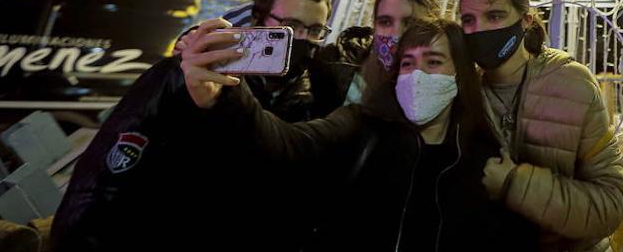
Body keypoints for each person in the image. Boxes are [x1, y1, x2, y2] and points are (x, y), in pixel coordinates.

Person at [178, 15, 537, 252]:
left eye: (433, 62)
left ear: (459, 74)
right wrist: (226, 95)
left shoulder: (483, 156)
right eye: (408, 63)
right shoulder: (361, 126)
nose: (416, 76)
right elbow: (291, 143)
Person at [51, 0, 340, 250]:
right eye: (290, 25)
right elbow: (109, 169)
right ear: (257, 20)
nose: (302, 38)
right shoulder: (185, 73)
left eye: (315, 30)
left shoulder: (318, 97)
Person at [458, 0, 623, 252]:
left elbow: (610, 204)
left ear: (525, 20)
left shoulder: (572, 83)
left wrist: (516, 184)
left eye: (494, 16)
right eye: (468, 20)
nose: (479, 30)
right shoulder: (461, 94)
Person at [336, 0, 440, 105]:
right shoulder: (336, 60)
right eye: (385, 22)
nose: (396, 33)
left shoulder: (433, 94)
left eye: (411, 23)